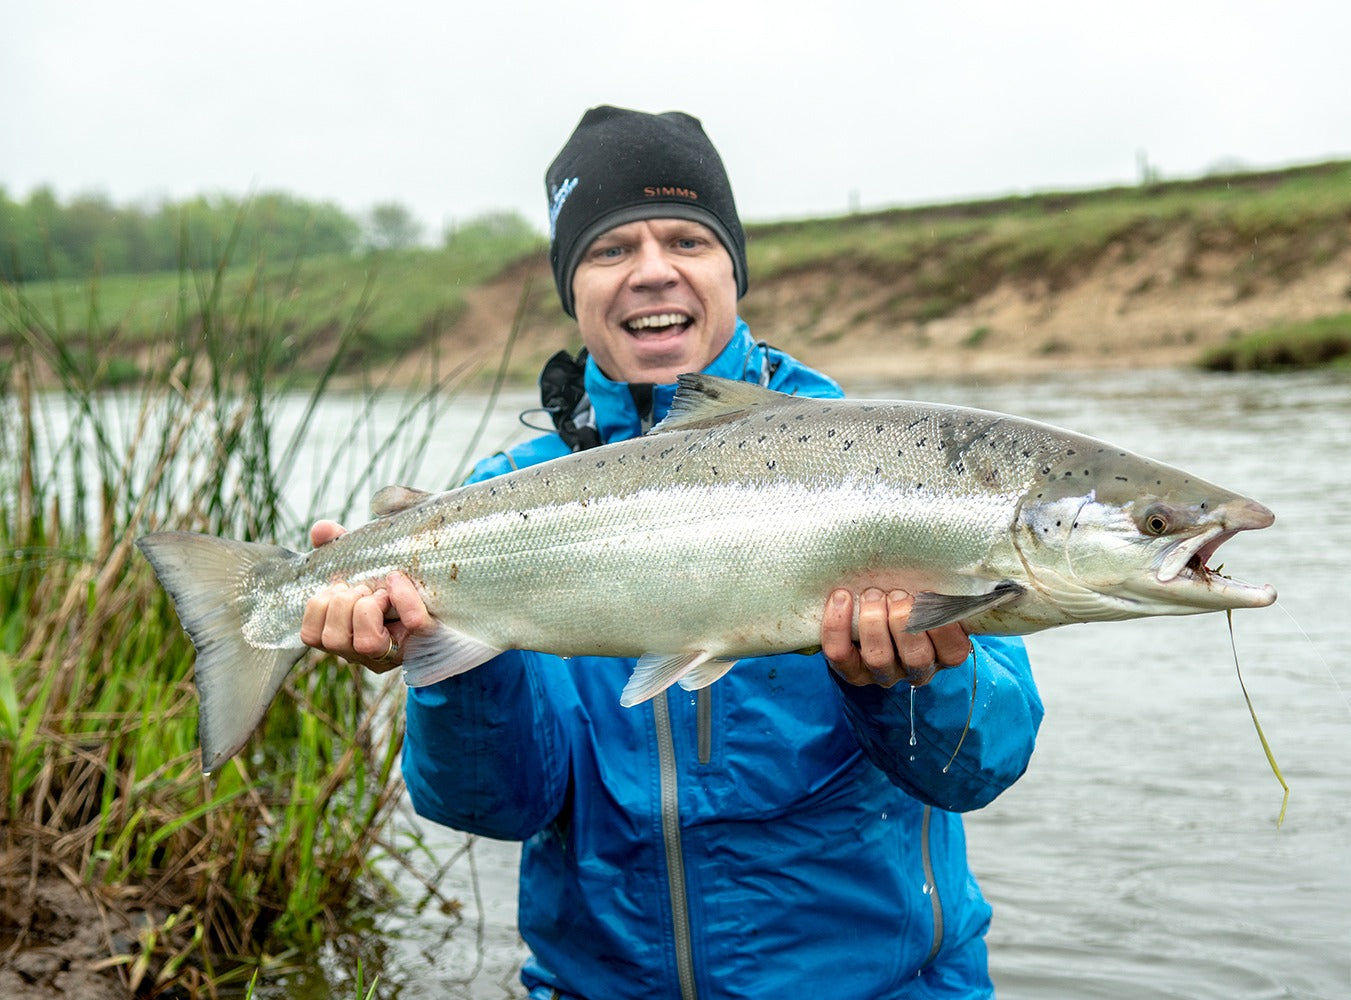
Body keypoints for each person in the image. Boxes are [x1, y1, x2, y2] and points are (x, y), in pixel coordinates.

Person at [301, 106, 1045, 1000]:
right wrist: (443, 661)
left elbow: (982, 768)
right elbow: (492, 807)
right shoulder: (498, 500)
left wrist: (913, 679)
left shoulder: (878, 463)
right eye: (611, 250)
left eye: (688, 240)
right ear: (571, 289)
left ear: (733, 269)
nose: (653, 271)